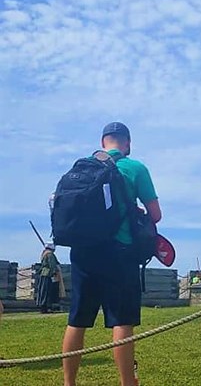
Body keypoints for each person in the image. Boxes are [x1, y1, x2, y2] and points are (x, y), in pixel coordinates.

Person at [62, 122, 161, 386]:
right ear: (127, 143)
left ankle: (68, 383)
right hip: (119, 252)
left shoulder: (81, 166)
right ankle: (128, 382)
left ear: (103, 141)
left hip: (83, 253)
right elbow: (156, 215)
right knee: (122, 322)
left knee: (77, 321)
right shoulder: (135, 168)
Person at [36, 243, 62, 314]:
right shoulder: (50, 254)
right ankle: (46, 307)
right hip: (48, 274)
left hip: (43, 274)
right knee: (47, 291)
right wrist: (53, 273)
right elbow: (52, 265)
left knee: (43, 291)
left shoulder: (44, 254)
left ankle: (43, 307)